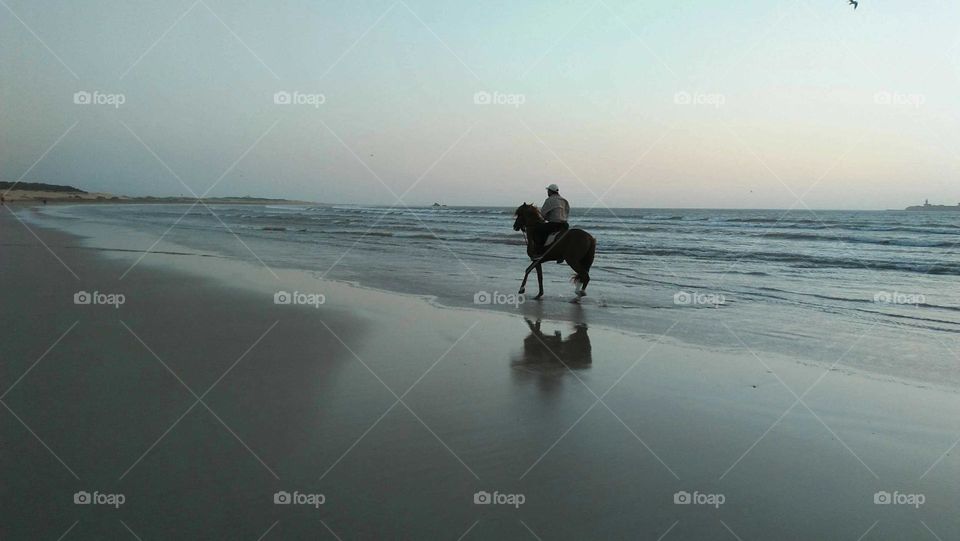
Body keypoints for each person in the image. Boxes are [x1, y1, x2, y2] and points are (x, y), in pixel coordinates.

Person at [532, 184, 569, 256]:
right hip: (565, 224)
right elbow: (567, 212)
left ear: (551, 191)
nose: (547, 193)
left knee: (538, 231)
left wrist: (544, 218)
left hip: (554, 224)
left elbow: (543, 214)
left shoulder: (549, 200)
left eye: (548, 191)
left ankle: (540, 251)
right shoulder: (564, 200)